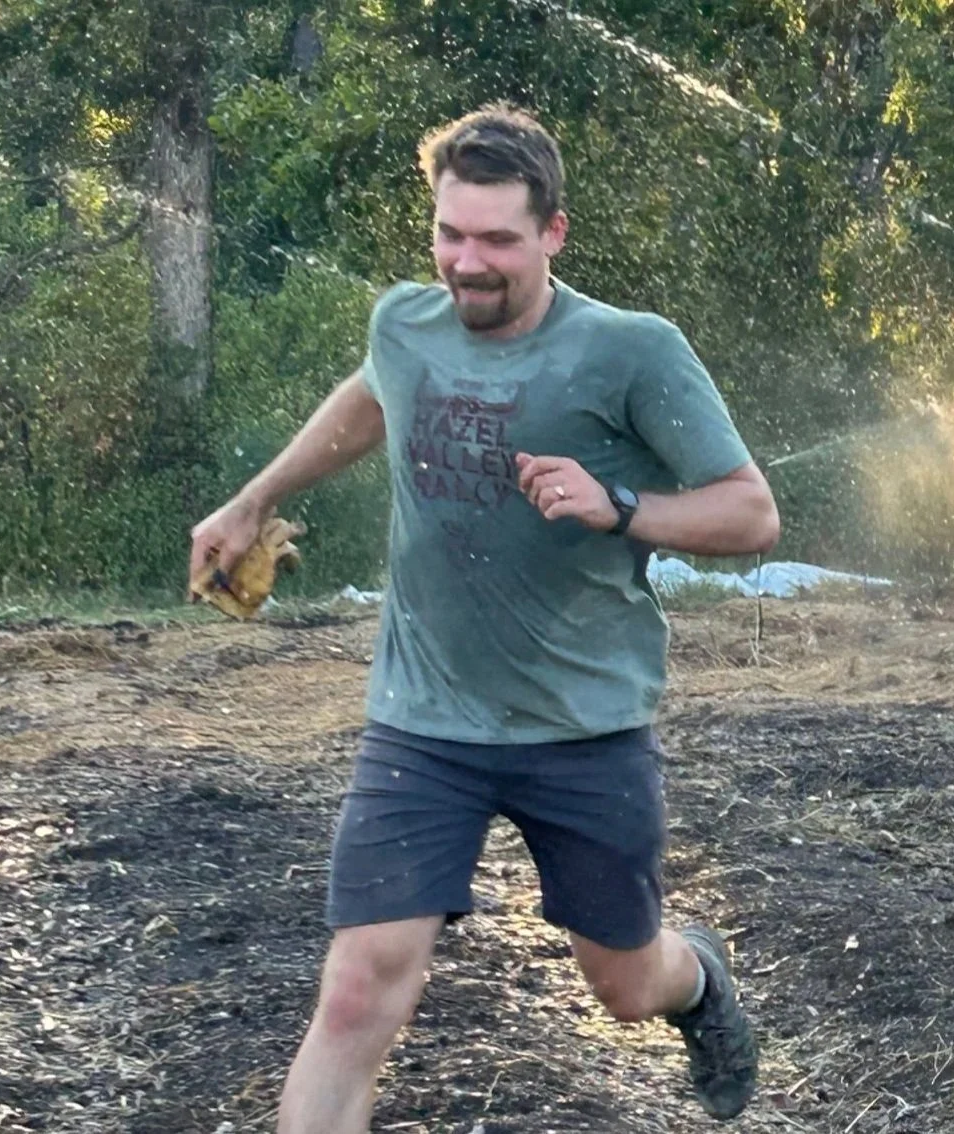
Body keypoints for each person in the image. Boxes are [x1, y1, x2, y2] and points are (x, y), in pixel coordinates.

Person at [188, 104, 775, 1132]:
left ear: (553, 233)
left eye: (497, 240)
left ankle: (697, 980)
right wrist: (254, 499)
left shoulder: (631, 351)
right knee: (356, 990)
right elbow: (372, 398)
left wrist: (619, 505)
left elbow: (751, 513)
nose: (468, 263)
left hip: (583, 726)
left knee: (624, 984)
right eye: (450, 234)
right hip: (423, 723)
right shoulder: (404, 324)